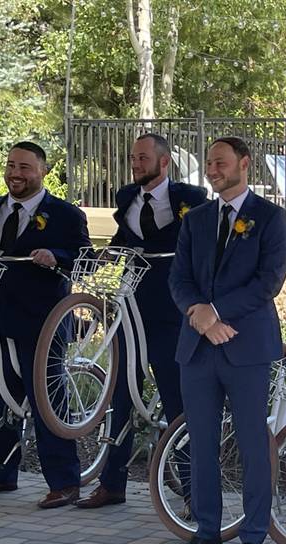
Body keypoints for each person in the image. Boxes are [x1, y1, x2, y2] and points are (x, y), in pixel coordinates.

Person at [166, 136, 286, 544]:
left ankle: (253, 538)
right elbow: (179, 276)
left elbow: (268, 281)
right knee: (200, 443)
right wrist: (198, 316)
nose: (212, 169)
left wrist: (215, 312)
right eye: (208, 163)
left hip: (246, 346)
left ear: (244, 163)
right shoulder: (196, 218)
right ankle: (206, 533)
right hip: (198, 348)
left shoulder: (271, 217)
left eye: (220, 162)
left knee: (253, 443)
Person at [73, 133, 207, 509]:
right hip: (130, 311)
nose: (135, 164)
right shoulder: (125, 197)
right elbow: (123, 238)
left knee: (176, 399)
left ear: (164, 162)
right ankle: (112, 484)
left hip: (172, 312)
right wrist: (104, 257)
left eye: (143, 158)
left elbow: (202, 243)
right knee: (120, 397)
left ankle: (194, 491)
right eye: (133, 158)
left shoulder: (191, 199)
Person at [0, 141, 92, 508]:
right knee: (1, 396)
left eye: (25, 168)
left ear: (43, 171)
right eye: (11, 166)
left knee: (47, 399)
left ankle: (65, 482)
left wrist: (57, 257)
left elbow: (86, 260)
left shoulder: (65, 214)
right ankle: (1, 474)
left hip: (43, 319)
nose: (16, 174)